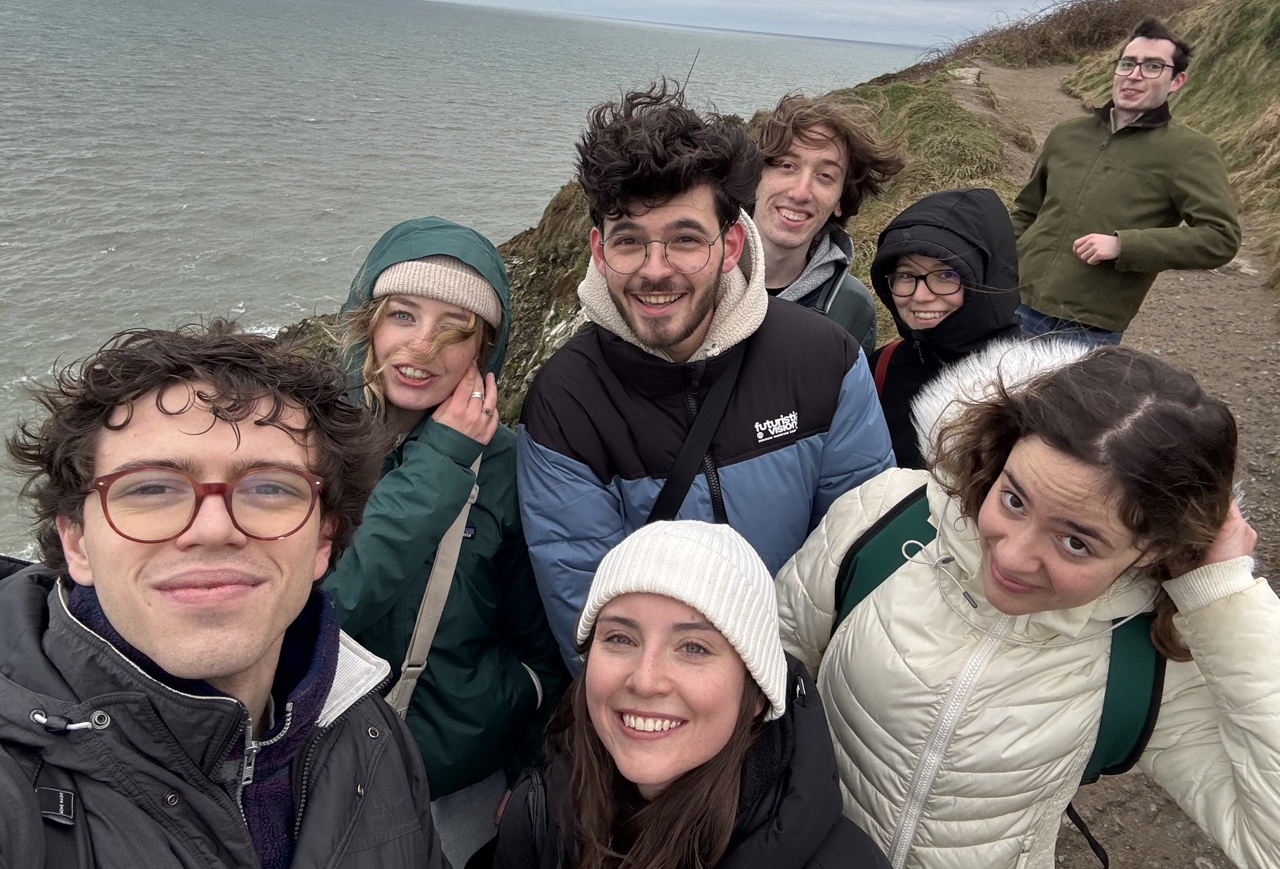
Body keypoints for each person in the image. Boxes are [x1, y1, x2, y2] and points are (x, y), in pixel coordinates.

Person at [776, 339, 1279, 869]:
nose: (1013, 557)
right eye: (1014, 499)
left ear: (1153, 548)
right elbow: (770, 685)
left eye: (1076, 542)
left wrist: (1226, 597)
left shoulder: (1149, 653)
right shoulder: (882, 518)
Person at [0, 321, 446, 868]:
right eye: (152, 488)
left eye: (269, 487)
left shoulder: (371, 735)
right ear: (77, 542)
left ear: (323, 541)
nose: (213, 529)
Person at [517, 81, 895, 667]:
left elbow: (861, 558)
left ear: (732, 243)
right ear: (598, 249)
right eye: (629, 241)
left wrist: (785, 694)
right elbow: (591, 625)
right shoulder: (566, 402)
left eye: (686, 239)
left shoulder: (827, 360)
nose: (655, 270)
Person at [324, 216, 567, 867]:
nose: (424, 345)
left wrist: (534, 773)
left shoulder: (509, 465)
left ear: (484, 352)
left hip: (462, 784)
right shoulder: (306, 447)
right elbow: (321, 615)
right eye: (403, 314)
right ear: (367, 321)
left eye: (455, 327)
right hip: (318, 773)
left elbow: (540, 642)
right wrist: (439, 465)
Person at [493, 520, 890, 869]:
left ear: (756, 695)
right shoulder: (539, 815)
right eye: (620, 638)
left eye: (694, 648)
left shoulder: (844, 861)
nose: (645, 681)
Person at [1012, 17, 1240, 345]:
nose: (1134, 74)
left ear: (1176, 81)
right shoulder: (1067, 134)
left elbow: (1221, 237)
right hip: (1016, 301)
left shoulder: (1190, 150)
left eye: (1153, 66)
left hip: (1085, 326)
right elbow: (1026, 212)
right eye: (1128, 63)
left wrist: (1124, 245)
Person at [867, 187, 1020, 468]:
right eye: (906, 275)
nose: (920, 295)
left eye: (946, 275)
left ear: (989, 278)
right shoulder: (882, 367)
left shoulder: (1033, 384)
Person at [751, 92, 905, 357]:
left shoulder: (854, 308)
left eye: (825, 175)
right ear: (756, 176)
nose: (801, 193)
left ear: (840, 200)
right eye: (787, 165)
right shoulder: (692, 271)